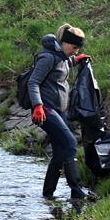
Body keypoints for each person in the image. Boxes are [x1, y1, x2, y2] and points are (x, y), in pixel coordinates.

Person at [28, 24, 97, 202]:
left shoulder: (63, 57)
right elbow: (33, 82)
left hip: (60, 111)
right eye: (74, 48)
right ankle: (76, 189)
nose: (76, 51)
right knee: (70, 143)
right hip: (45, 111)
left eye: (78, 48)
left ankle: (47, 194)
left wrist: (77, 60)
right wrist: (37, 106)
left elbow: (64, 65)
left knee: (60, 150)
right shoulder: (48, 57)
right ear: (64, 43)